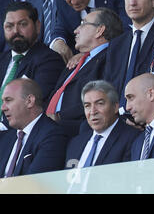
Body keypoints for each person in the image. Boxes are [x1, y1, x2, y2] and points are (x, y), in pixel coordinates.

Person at [46, 8, 123, 137]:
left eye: (83, 23)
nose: (76, 30)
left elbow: (100, 100)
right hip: (50, 129)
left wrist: (60, 119)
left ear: (99, 30)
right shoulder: (76, 61)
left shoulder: (110, 59)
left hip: (74, 132)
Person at [0, 2, 65, 120]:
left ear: (37, 26)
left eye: (23, 24)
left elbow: (30, 107)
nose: (15, 31)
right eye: (9, 26)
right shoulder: (2, 60)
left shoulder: (49, 61)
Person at [0, 78, 67, 177]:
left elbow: (35, 184)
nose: (3, 108)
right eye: (3, 101)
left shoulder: (53, 136)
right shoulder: (5, 138)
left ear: (30, 101)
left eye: (8, 100)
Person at [65, 80, 140, 169]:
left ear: (115, 107)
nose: (92, 112)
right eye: (87, 106)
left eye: (100, 104)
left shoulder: (133, 139)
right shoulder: (75, 143)